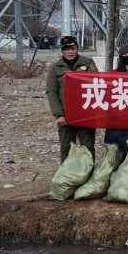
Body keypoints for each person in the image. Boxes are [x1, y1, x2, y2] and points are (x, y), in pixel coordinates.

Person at [45, 35, 98, 163]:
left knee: (88, 147)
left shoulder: (88, 63)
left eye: (72, 48)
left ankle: (88, 172)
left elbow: (96, 84)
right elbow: (51, 92)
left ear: (77, 49)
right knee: (66, 148)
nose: (70, 52)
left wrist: (94, 113)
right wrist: (59, 114)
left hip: (85, 114)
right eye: (66, 49)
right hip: (65, 115)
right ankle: (67, 173)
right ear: (62, 51)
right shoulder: (56, 68)